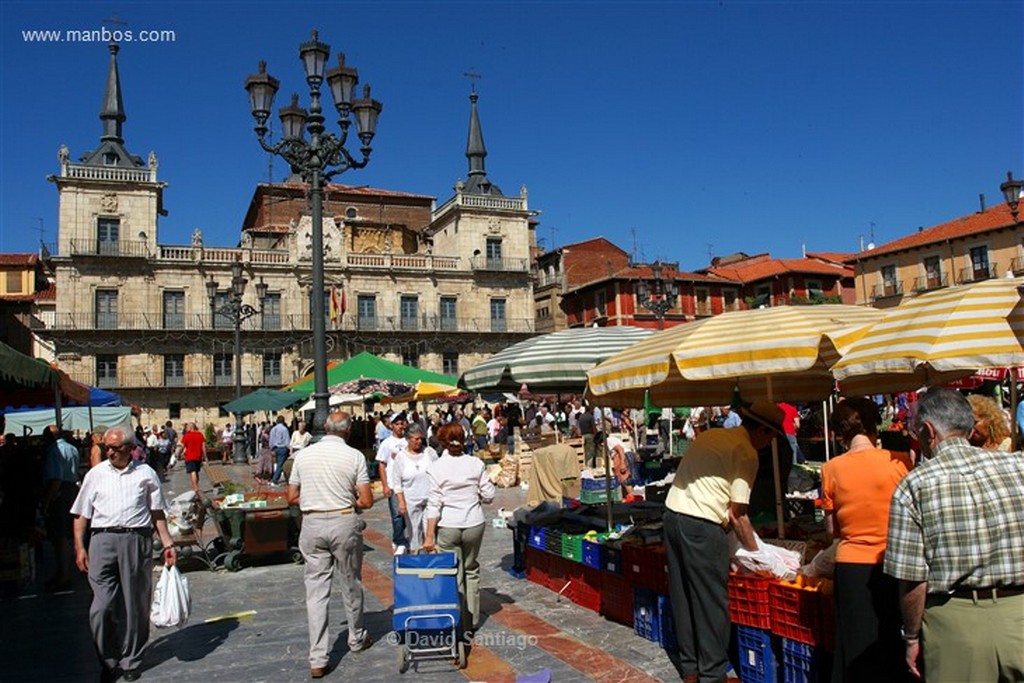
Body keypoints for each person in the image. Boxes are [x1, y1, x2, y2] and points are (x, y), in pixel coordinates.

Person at [884, 388, 1024, 682]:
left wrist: (911, 637)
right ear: (971, 426)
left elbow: (912, 580)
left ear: (927, 430)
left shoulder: (913, 486)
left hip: (954, 623)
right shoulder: (1018, 466)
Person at [662, 400, 784, 683]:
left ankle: (690, 668)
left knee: (683, 596)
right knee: (711, 601)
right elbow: (737, 514)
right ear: (764, 431)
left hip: (673, 515)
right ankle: (712, 673)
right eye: (772, 436)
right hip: (702, 526)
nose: (770, 443)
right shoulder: (746, 452)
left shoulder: (711, 435)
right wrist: (758, 552)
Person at [70, 426, 176, 683]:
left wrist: (167, 543)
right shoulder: (95, 475)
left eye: (114, 448)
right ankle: (107, 658)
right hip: (102, 539)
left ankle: (130, 659)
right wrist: (80, 546)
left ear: (130, 448)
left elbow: (157, 512)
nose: (109, 452)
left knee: (135, 602)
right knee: (101, 606)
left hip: (135, 539)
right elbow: (81, 513)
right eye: (107, 447)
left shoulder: (145, 474)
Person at [820, 397, 912, 683]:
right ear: (875, 427)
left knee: (854, 643)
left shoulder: (831, 468)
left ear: (840, 433)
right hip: (894, 561)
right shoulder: (901, 460)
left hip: (851, 565)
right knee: (892, 638)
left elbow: (832, 528)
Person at [286, 412, 374, 678]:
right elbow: (367, 500)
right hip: (343, 521)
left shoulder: (302, 455)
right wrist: (347, 501)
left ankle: (318, 658)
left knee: (315, 592)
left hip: (311, 525)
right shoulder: (355, 456)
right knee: (351, 583)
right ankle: (356, 637)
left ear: (324, 428)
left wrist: (315, 500)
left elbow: (291, 496)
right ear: (348, 431)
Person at [423, 422, 495, 635]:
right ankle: (472, 620)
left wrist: (429, 536)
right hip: (474, 522)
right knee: (471, 568)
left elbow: (433, 504)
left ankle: (457, 620)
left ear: (443, 442)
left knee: (454, 573)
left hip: (448, 525)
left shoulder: (436, 468)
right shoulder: (475, 463)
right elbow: (489, 495)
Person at [41, 428, 80, 591]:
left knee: (60, 535)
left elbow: (56, 478)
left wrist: (47, 501)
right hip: (71, 490)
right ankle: (63, 573)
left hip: (60, 493)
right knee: (65, 533)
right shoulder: (72, 448)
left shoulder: (53, 451)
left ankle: (63, 575)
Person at [391, 423, 439, 551]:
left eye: (420, 438)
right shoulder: (401, 458)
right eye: (415, 439)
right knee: (414, 533)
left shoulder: (429, 453)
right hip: (411, 499)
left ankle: (431, 559)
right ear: (408, 439)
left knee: (430, 532)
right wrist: (401, 501)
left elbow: (438, 472)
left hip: (430, 499)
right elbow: (397, 483)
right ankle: (416, 557)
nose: (419, 441)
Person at [376, 412, 409, 554]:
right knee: (397, 514)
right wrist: (384, 484)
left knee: (407, 513)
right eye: (397, 424)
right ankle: (399, 540)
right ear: (391, 425)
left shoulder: (409, 441)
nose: (400, 426)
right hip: (393, 483)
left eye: (402, 423)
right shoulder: (387, 443)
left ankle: (402, 538)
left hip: (408, 483)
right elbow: (382, 464)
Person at [180, 422, 206, 494]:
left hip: (190, 456)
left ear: (191, 427)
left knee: (193, 472)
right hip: (198, 457)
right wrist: (205, 457)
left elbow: (182, 446)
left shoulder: (187, 435)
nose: (186, 428)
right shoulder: (200, 435)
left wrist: (178, 454)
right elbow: (203, 447)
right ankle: (196, 485)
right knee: (196, 472)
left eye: (187, 427)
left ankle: (195, 488)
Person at [268, 415, 291, 486]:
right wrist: (289, 449)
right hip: (282, 448)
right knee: (280, 465)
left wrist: (271, 448)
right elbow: (287, 441)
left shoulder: (273, 429)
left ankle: (275, 477)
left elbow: (271, 440)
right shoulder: (284, 429)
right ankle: (275, 480)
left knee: (277, 464)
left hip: (275, 448)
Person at [577, 402, 598, 468]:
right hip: (590, 436)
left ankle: (585, 465)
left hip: (583, 436)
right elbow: (594, 427)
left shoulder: (581, 417)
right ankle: (590, 466)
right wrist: (596, 436)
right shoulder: (590, 417)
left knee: (584, 452)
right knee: (590, 452)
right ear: (590, 410)